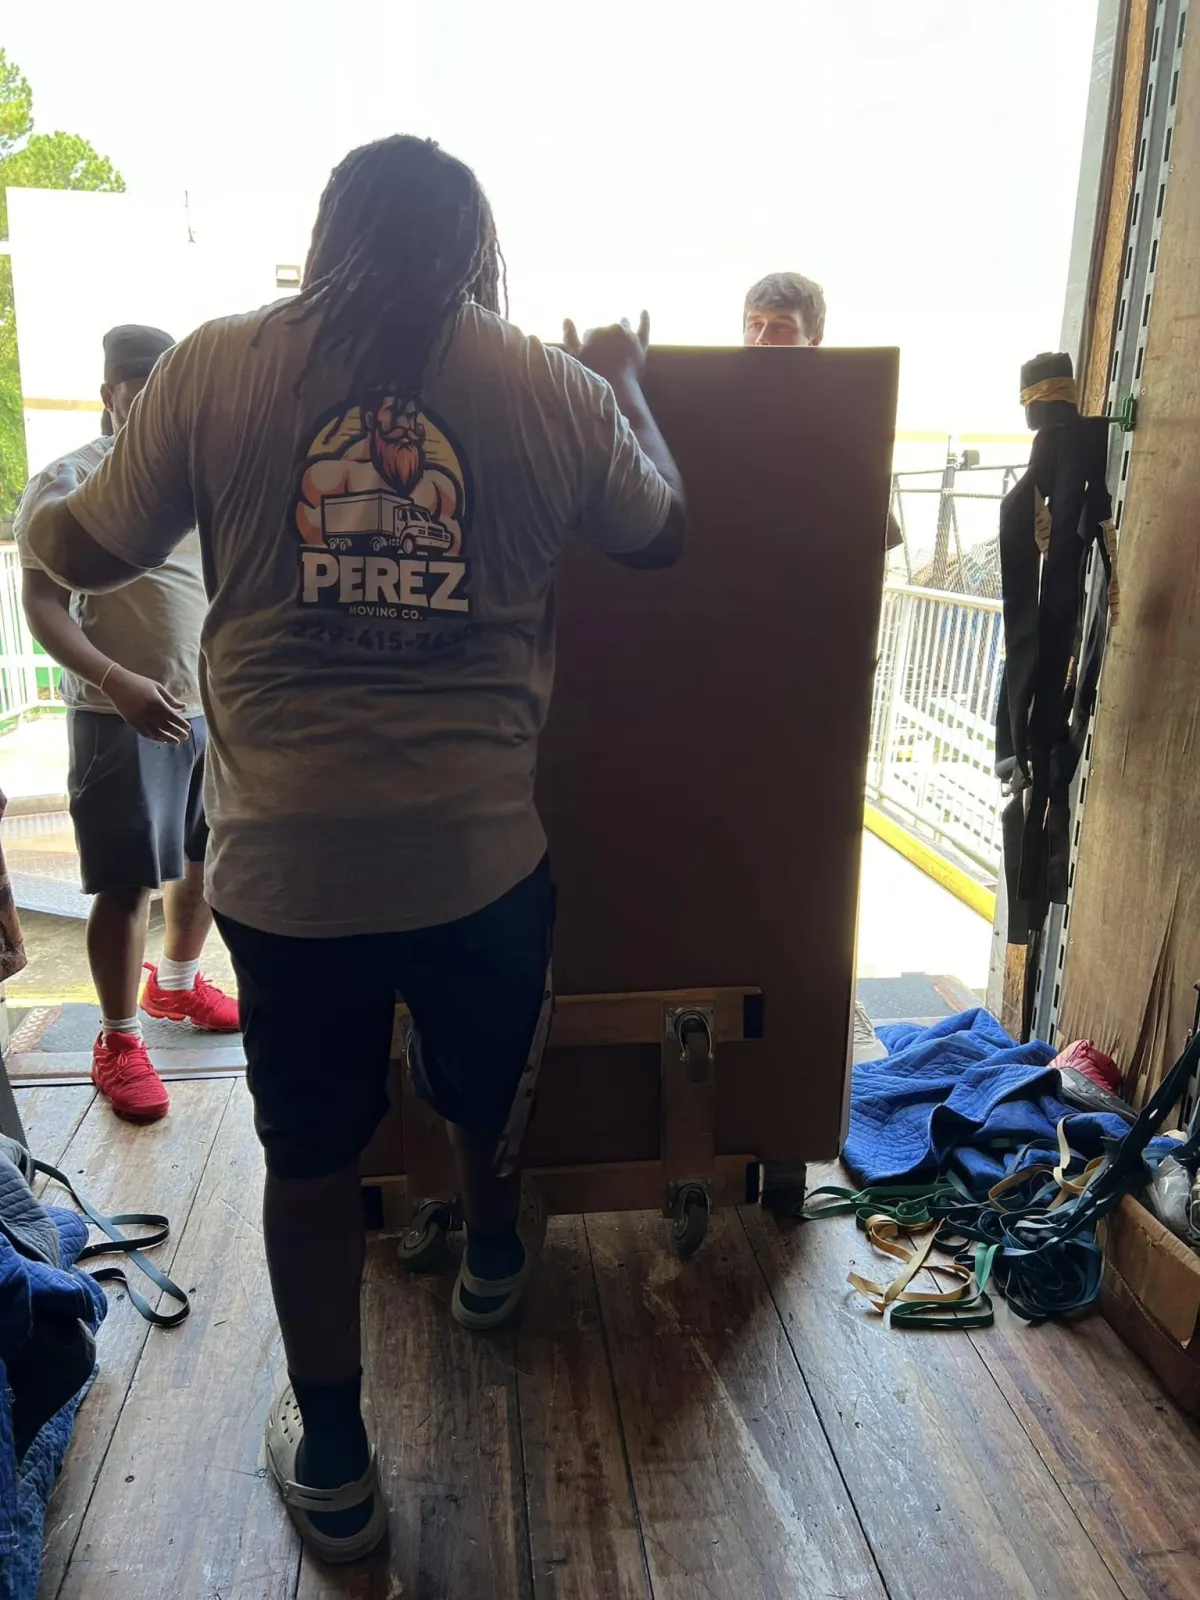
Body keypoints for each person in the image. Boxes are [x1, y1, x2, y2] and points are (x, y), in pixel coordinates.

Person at [23, 135, 685, 1565]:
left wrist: (38, 514)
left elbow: (83, 549)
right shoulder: (554, 388)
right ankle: (493, 1264)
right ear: (479, 249)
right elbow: (660, 533)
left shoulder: (214, 363)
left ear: (328, 236)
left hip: (288, 869)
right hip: (481, 857)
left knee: (310, 1154)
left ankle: (333, 1458)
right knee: (480, 1078)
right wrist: (629, 378)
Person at [14, 327, 238, 1126]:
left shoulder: (199, 478)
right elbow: (42, 605)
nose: (151, 401)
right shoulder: (69, 480)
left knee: (203, 863)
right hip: (116, 712)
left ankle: (175, 986)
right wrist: (117, 679)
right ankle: (117, 1040)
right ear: (107, 392)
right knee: (126, 881)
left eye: (164, 386)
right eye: (137, 387)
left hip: (208, 707)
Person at [744, 271, 902, 553]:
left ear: (814, 339)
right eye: (755, 325)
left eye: (781, 326)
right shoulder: (709, 413)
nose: (762, 339)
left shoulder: (838, 426)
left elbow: (873, 544)